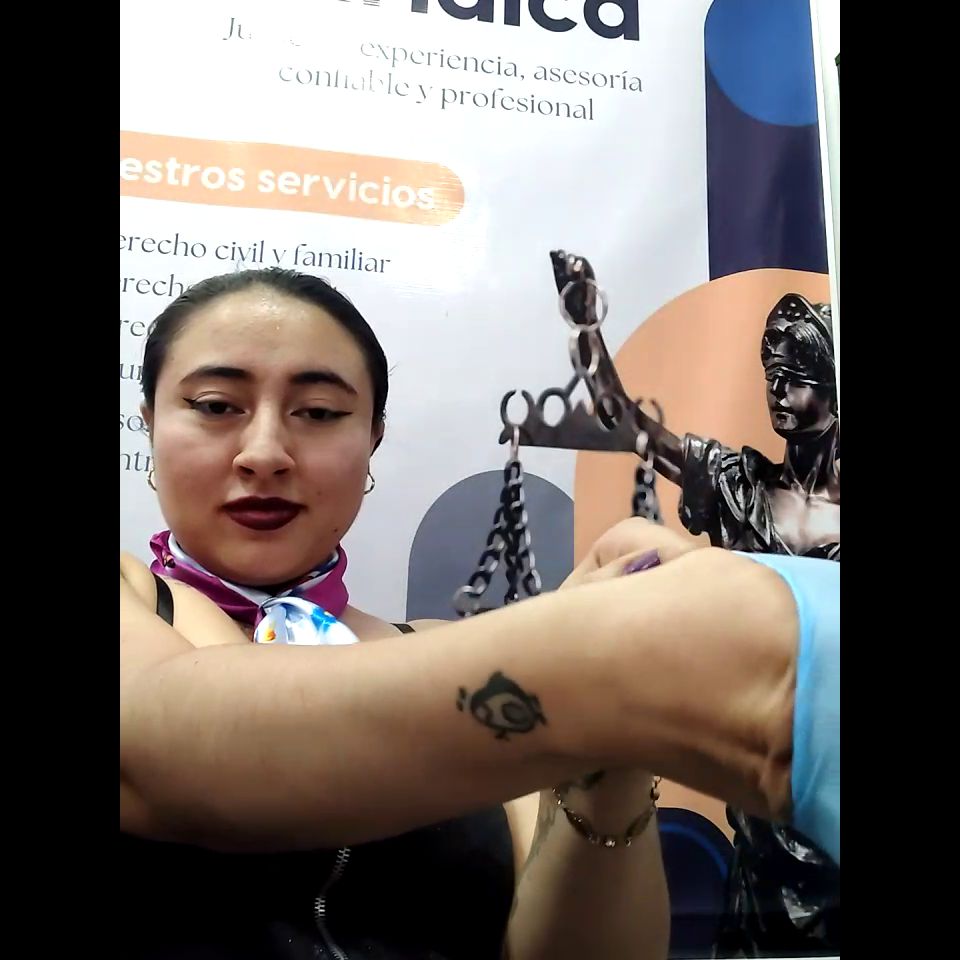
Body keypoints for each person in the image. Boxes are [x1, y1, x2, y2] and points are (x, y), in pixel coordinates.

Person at [120, 267, 671, 960]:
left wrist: (607, 736)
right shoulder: (133, 608)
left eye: (320, 412)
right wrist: (548, 660)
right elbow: (180, 746)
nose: (264, 454)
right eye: (215, 405)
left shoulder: (455, 650)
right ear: (150, 424)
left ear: (373, 438)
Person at [616, 289, 840, 956]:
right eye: (772, 375)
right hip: (762, 813)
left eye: (796, 377)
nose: (778, 391)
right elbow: (626, 422)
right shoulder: (740, 488)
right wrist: (588, 333)